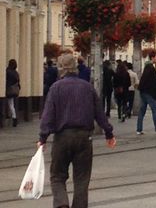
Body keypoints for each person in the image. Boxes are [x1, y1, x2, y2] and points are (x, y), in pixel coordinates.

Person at [38, 53, 116, 208]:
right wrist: (109, 133)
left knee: (57, 176)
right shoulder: (87, 88)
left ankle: (61, 204)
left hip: (62, 137)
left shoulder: (55, 88)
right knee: (81, 178)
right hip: (84, 138)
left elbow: (48, 115)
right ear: (76, 68)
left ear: (61, 69)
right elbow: (99, 113)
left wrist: (43, 137)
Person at [136, 51, 156, 135]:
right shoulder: (150, 67)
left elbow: (144, 79)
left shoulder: (147, 66)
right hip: (148, 92)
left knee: (142, 110)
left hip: (143, 91)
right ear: (152, 58)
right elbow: (151, 80)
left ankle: (139, 129)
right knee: (154, 110)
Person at [5, 59, 20, 127]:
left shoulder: (7, 71)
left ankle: (12, 117)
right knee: (11, 104)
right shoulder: (16, 72)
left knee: (10, 103)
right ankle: (14, 117)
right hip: (14, 90)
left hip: (8, 89)